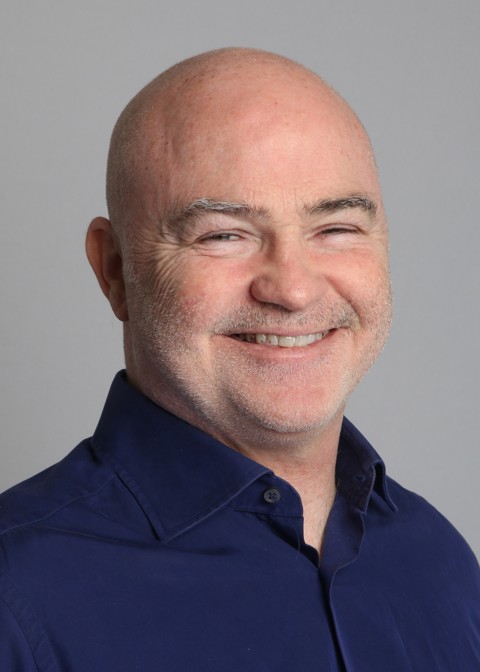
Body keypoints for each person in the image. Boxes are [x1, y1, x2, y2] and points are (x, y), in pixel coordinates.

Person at [0, 48, 478, 671]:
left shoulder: (439, 561)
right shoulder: (16, 596)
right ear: (114, 269)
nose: (294, 289)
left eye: (335, 228)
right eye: (224, 235)